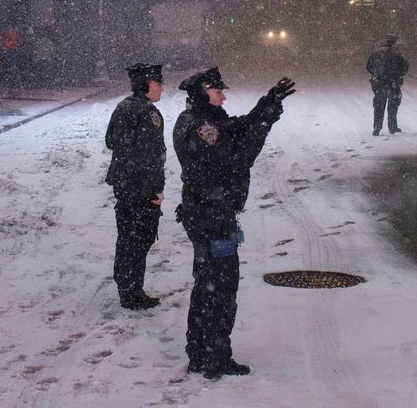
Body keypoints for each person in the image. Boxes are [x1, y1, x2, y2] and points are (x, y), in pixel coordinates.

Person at [173, 67, 295, 380]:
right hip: (212, 215)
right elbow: (238, 157)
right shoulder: (201, 127)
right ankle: (215, 357)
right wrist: (265, 123)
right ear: (203, 92)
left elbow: (238, 128)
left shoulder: (203, 120)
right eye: (217, 91)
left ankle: (200, 352)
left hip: (205, 211)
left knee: (206, 283)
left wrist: (268, 104)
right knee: (220, 287)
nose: (223, 95)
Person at [104, 63, 166, 310]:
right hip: (141, 187)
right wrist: (155, 190)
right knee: (139, 239)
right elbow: (152, 157)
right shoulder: (148, 113)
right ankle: (132, 292)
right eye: (158, 83)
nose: (161, 88)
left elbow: (110, 141)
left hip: (123, 183)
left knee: (127, 237)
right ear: (147, 85)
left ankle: (125, 285)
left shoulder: (123, 107)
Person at [366, 33, 409, 136]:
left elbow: (368, 66)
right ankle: (392, 127)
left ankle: (377, 127)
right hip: (392, 83)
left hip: (379, 83)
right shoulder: (397, 54)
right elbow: (405, 67)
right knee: (393, 106)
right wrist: (398, 75)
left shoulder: (376, 52)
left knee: (379, 106)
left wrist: (375, 75)